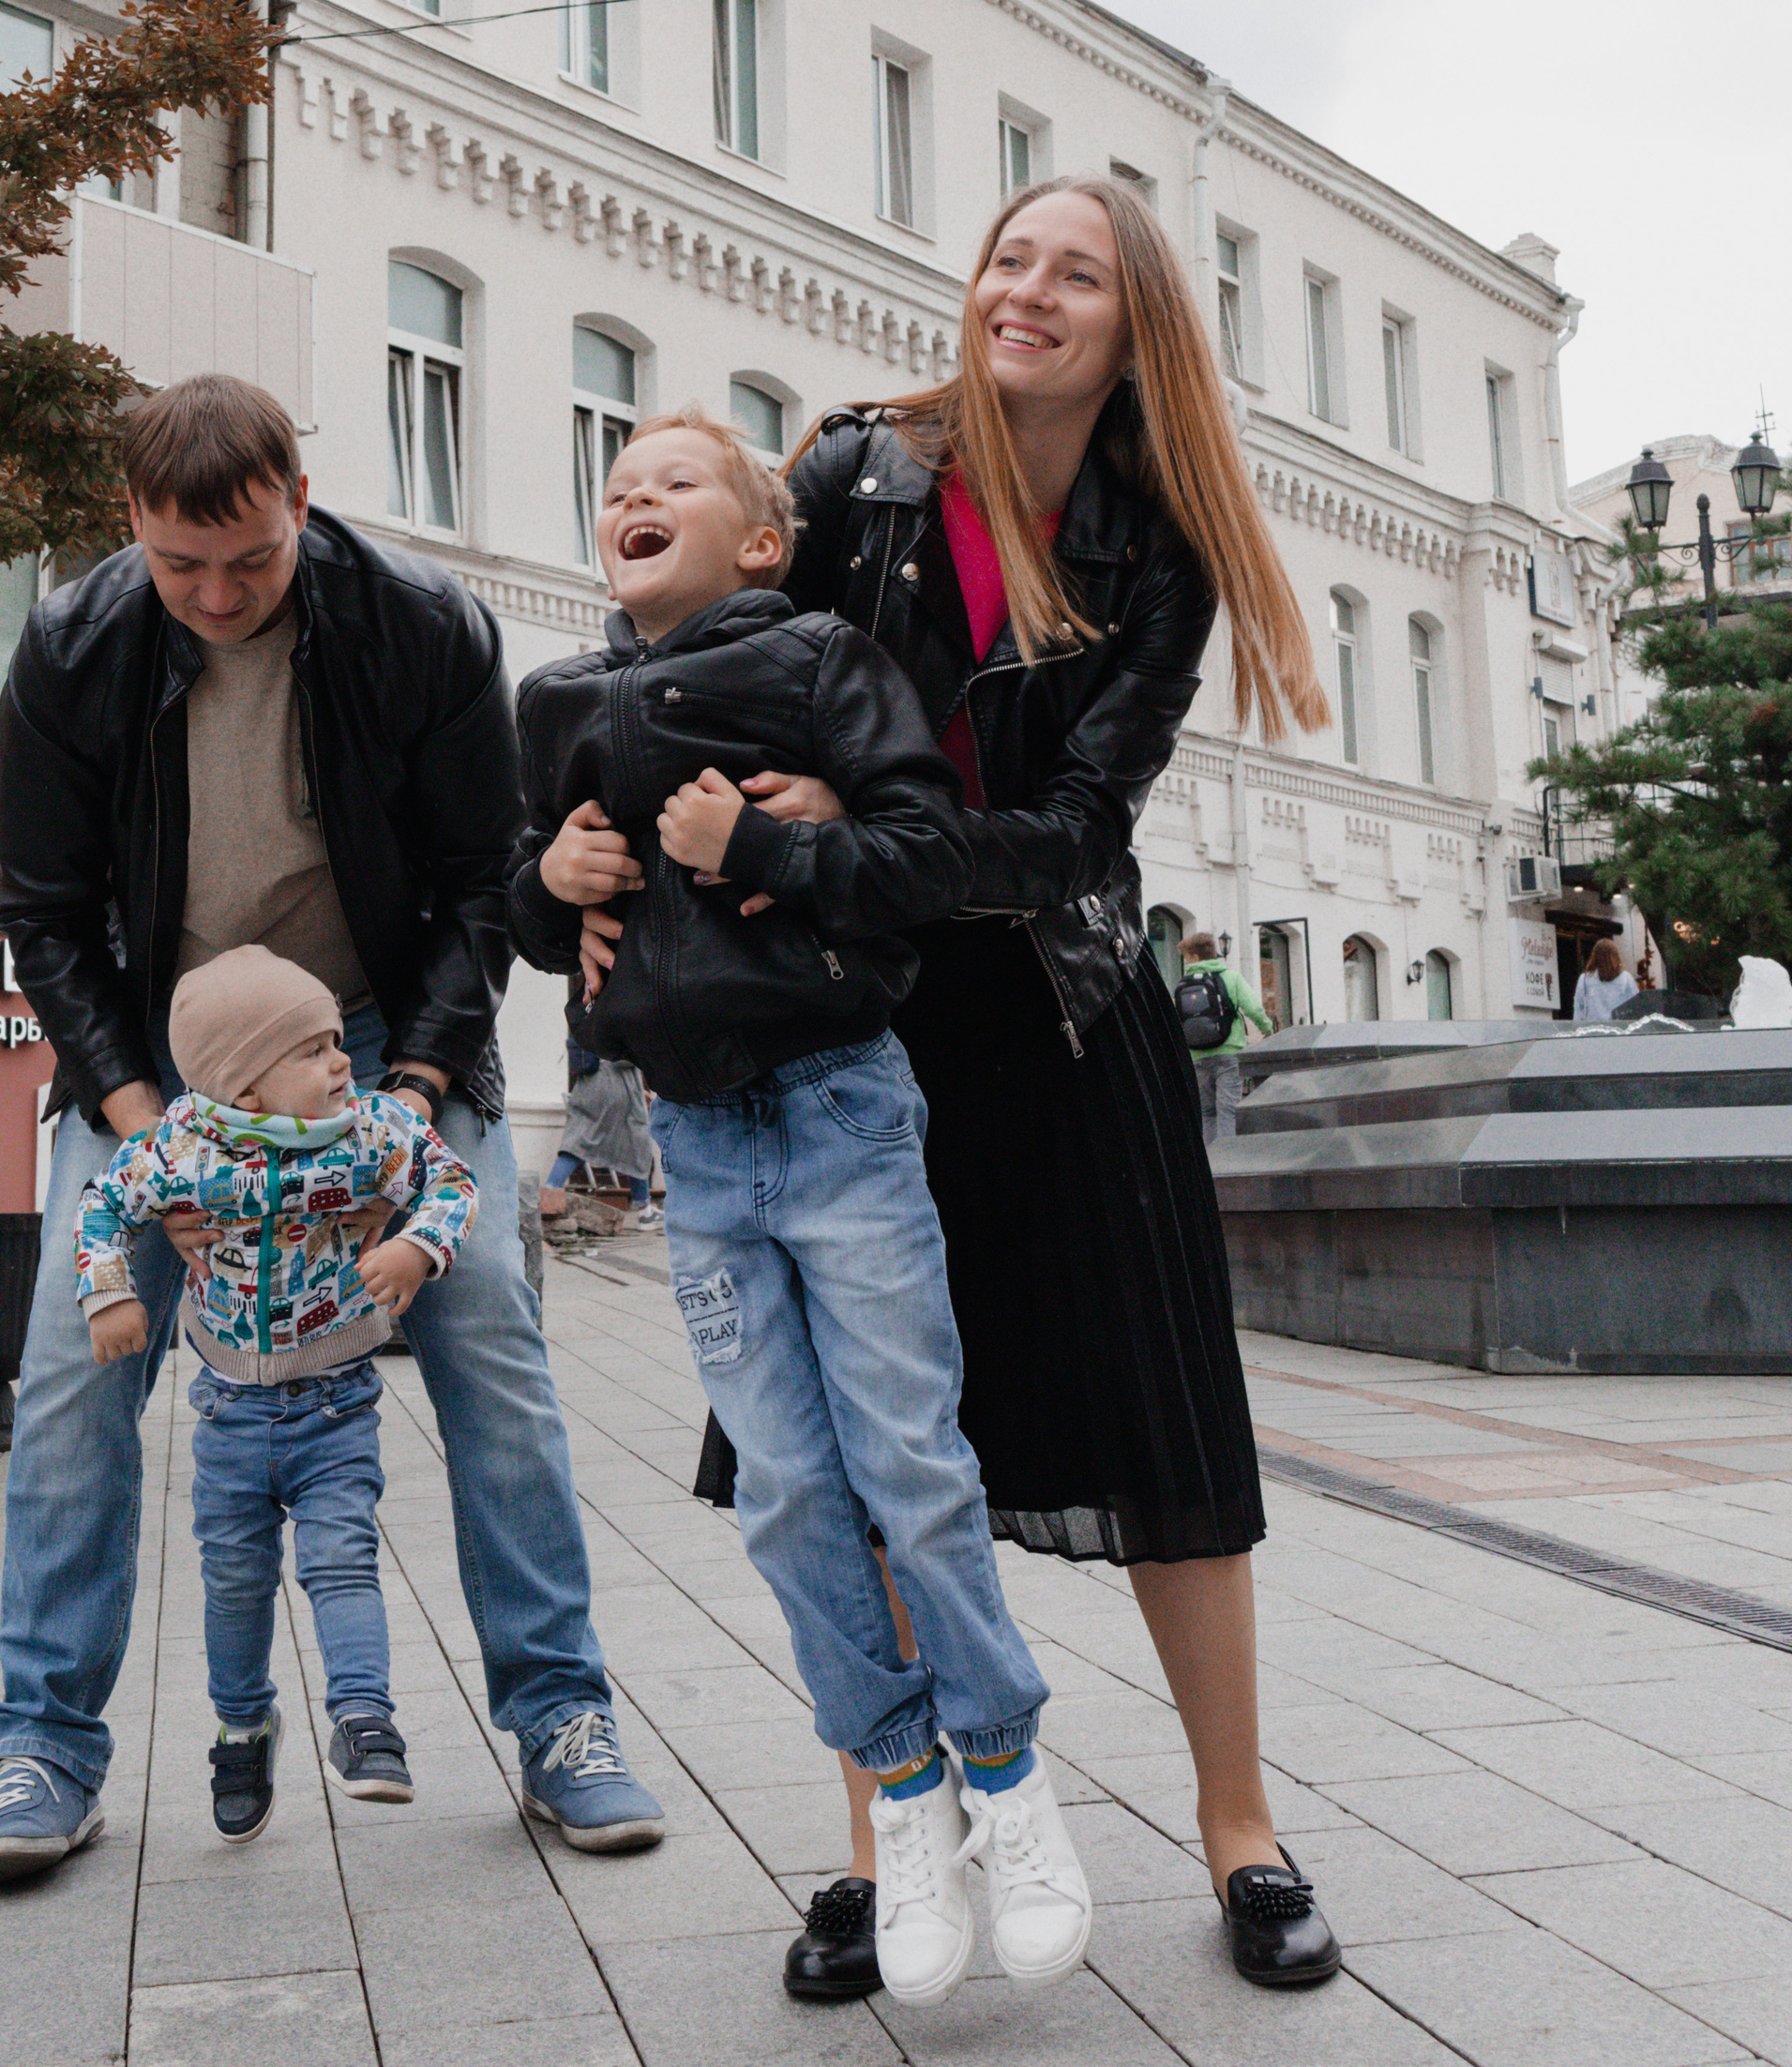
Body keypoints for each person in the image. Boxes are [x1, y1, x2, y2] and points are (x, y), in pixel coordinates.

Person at [586, 180, 1345, 1992]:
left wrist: (848, 843)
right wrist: (601, 856)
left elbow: (1081, 838)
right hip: (849, 1029)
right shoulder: (861, 474)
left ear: (1136, 320)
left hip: (1065, 1020)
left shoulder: (1164, 545)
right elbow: (688, 658)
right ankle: (887, 1838)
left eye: (1074, 274)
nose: (1026, 292)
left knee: (1168, 1438)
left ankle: (1238, 1825)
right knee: (854, 1456)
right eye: (1009, 257)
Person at [0, 373, 664, 1890]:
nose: (215, 595)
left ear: (298, 497)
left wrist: (411, 1094)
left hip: (373, 1039)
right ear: (133, 530)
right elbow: (45, 913)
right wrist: (156, 1139)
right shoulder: (76, 646)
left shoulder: (417, 625)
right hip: (164, 1054)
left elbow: (487, 883)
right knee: (75, 1367)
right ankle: (41, 1744)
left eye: (251, 560)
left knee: (484, 1323)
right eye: (178, 565)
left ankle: (563, 1716)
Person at [513, 403, 1092, 2009]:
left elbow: (923, 846)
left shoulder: (826, 659)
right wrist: (553, 885)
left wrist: (757, 833)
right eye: (618, 487)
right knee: (784, 1484)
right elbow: (517, 903)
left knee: (908, 1451)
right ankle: (904, 1791)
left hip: (839, 1109)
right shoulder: (558, 699)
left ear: (761, 540)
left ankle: (1007, 1767)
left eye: (676, 481)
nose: (635, 494)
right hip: (703, 1147)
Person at [74, 948, 476, 1843]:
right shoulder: (178, 1149)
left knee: (341, 1559)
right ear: (245, 1089)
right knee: (236, 1582)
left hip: (337, 1405)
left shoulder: (370, 1131)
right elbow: (101, 1207)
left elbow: (451, 1180)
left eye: (340, 1042)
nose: (342, 1062)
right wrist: (108, 1290)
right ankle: (242, 1726)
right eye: (313, 1050)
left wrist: (418, 1246)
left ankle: (366, 1720)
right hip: (229, 1415)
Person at [541, 1009, 661, 1230]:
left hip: (588, 1084)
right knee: (636, 1143)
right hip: (617, 1085)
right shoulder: (622, 1002)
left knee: (578, 1139)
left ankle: (549, 1193)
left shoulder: (588, 1004)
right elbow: (626, 1054)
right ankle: (644, 1211)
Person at [1178, 930, 1273, 1141]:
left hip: (1198, 1056)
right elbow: (1253, 1009)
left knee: (1207, 1113)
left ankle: (1211, 1167)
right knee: (1229, 1111)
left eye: (1185, 956)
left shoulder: (1183, 985)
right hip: (1229, 1053)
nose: (1185, 961)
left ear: (1194, 957)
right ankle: (1229, 1163)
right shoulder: (1231, 977)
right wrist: (1268, 1029)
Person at [1573, 937, 1637, 1022]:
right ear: (1615, 956)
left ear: (1595, 957)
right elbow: (1635, 1007)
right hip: (1619, 1031)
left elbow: (1578, 1010)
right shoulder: (1626, 978)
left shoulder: (1585, 979)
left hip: (1592, 1031)